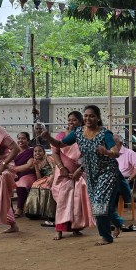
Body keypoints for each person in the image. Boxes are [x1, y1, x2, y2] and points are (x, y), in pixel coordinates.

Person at [40, 105, 121, 245]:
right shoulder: (78, 132)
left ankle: (106, 236)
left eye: (92, 116)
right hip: (91, 173)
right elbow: (59, 144)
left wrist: (107, 152)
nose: (88, 118)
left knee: (99, 203)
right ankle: (118, 223)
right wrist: (48, 138)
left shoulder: (105, 134)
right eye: (86, 116)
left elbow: (116, 152)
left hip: (107, 172)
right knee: (100, 205)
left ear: (98, 118)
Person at [44, 111, 95, 240]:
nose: (71, 122)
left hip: (78, 174)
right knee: (63, 201)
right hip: (63, 173)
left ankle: (76, 228)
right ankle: (59, 230)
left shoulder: (85, 136)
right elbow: (55, 153)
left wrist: (80, 169)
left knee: (77, 201)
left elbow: (88, 155)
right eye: (69, 120)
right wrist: (62, 168)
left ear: (81, 122)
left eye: (74, 120)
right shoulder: (61, 136)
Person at [8, 131, 37, 221]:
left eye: (23, 138)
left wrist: (14, 169)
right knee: (3, 183)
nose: (21, 140)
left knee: (21, 184)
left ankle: (19, 209)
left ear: (28, 140)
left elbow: (30, 165)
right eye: (19, 138)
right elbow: (8, 163)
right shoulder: (13, 151)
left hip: (28, 174)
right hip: (14, 175)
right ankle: (9, 209)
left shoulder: (31, 151)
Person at [23, 146, 56, 221]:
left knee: (47, 187)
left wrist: (52, 178)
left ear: (44, 152)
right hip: (44, 178)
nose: (37, 153)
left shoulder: (48, 158)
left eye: (40, 151)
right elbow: (39, 178)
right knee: (35, 185)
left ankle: (50, 213)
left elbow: (55, 169)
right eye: (35, 151)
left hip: (54, 176)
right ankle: (33, 211)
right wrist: (36, 167)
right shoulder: (36, 162)